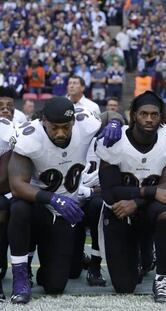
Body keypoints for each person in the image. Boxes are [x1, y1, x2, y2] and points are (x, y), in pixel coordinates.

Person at [7, 97, 122, 304]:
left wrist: (115, 123)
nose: (61, 133)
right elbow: (17, 186)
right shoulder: (30, 136)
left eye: (66, 127)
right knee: (19, 208)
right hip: (39, 207)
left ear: (74, 123)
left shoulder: (85, 122)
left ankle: (45, 269)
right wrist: (53, 198)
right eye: (55, 128)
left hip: (64, 214)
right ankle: (20, 277)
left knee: (55, 286)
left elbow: (111, 114)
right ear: (44, 122)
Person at [96, 91, 166, 303]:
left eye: (154, 115)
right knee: (124, 287)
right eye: (143, 114)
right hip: (118, 212)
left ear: (161, 116)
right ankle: (141, 252)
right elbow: (109, 193)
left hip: (147, 211)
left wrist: (136, 201)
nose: (149, 119)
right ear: (134, 115)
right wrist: (150, 191)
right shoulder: (115, 141)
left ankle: (162, 279)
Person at [0, 86, 18, 302]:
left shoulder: (20, 128)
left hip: (15, 192)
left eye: (9, 107)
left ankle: (24, 269)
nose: (5, 110)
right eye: (1, 106)